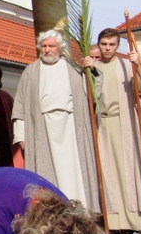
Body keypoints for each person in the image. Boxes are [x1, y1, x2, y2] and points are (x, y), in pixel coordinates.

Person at [12, 30, 100, 210]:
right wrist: (21, 136)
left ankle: (79, 208)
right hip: (42, 129)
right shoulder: (31, 71)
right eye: (44, 46)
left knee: (73, 170)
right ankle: (53, 211)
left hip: (70, 128)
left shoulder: (73, 69)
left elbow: (93, 93)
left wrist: (91, 71)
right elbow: (20, 106)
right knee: (47, 174)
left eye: (51, 46)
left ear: (59, 48)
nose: (47, 50)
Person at [93, 27, 141, 232]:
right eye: (104, 44)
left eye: (112, 44)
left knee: (130, 170)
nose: (107, 48)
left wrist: (138, 67)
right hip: (102, 125)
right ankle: (114, 222)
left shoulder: (125, 65)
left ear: (117, 45)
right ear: (99, 44)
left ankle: (139, 220)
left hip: (125, 123)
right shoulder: (93, 67)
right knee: (108, 172)